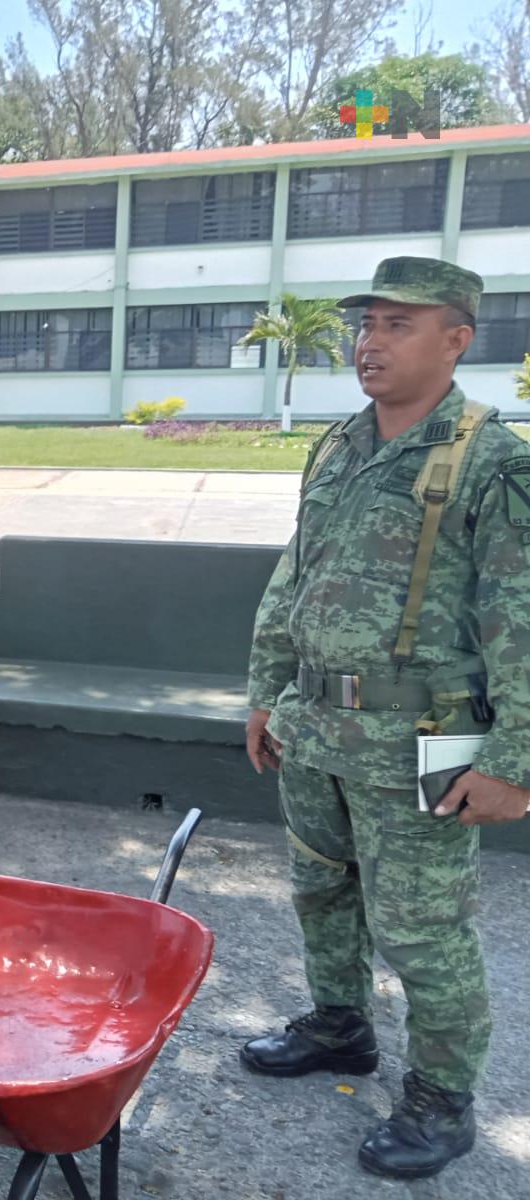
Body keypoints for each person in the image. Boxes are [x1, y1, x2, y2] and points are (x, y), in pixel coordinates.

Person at [242, 257, 530, 1180]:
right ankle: (340, 1026)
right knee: (321, 893)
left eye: (398, 324)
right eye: (367, 323)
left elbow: (522, 618)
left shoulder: (494, 459)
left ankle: (442, 1099)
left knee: (422, 931)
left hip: (422, 742)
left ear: (457, 339)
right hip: (316, 730)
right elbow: (296, 576)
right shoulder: (338, 444)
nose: (370, 342)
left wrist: (515, 761)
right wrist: (267, 692)